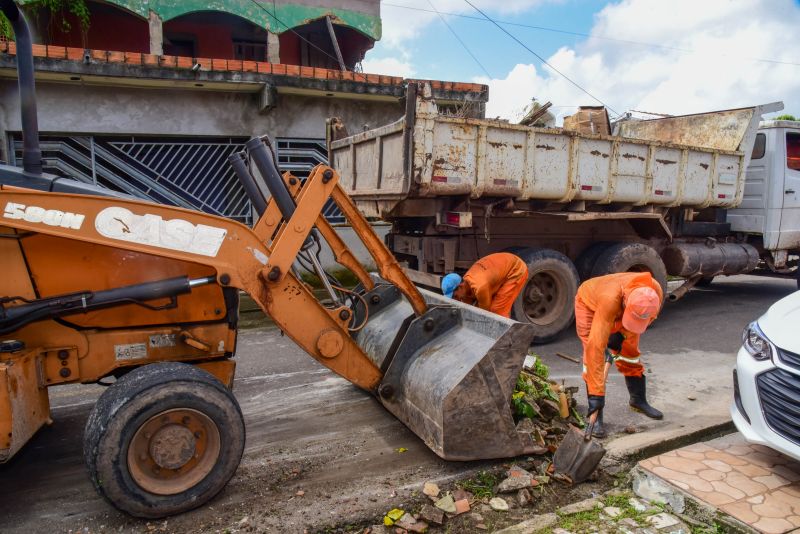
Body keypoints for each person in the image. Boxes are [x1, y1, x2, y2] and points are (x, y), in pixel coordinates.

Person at [574, 271, 663, 438]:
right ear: (625, 301)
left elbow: (648, 318)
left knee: (630, 353)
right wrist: (596, 395)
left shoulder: (654, 292)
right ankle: (596, 413)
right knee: (594, 357)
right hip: (589, 304)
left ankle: (638, 400)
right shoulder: (610, 300)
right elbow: (595, 348)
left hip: (622, 307)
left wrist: (622, 333)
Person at [441, 252, 528, 318]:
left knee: (497, 310)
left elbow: (485, 315)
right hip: (502, 267)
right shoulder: (467, 280)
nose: (457, 300)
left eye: (455, 296)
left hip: (515, 270)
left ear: (460, 286)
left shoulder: (480, 287)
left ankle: (503, 339)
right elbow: (468, 304)